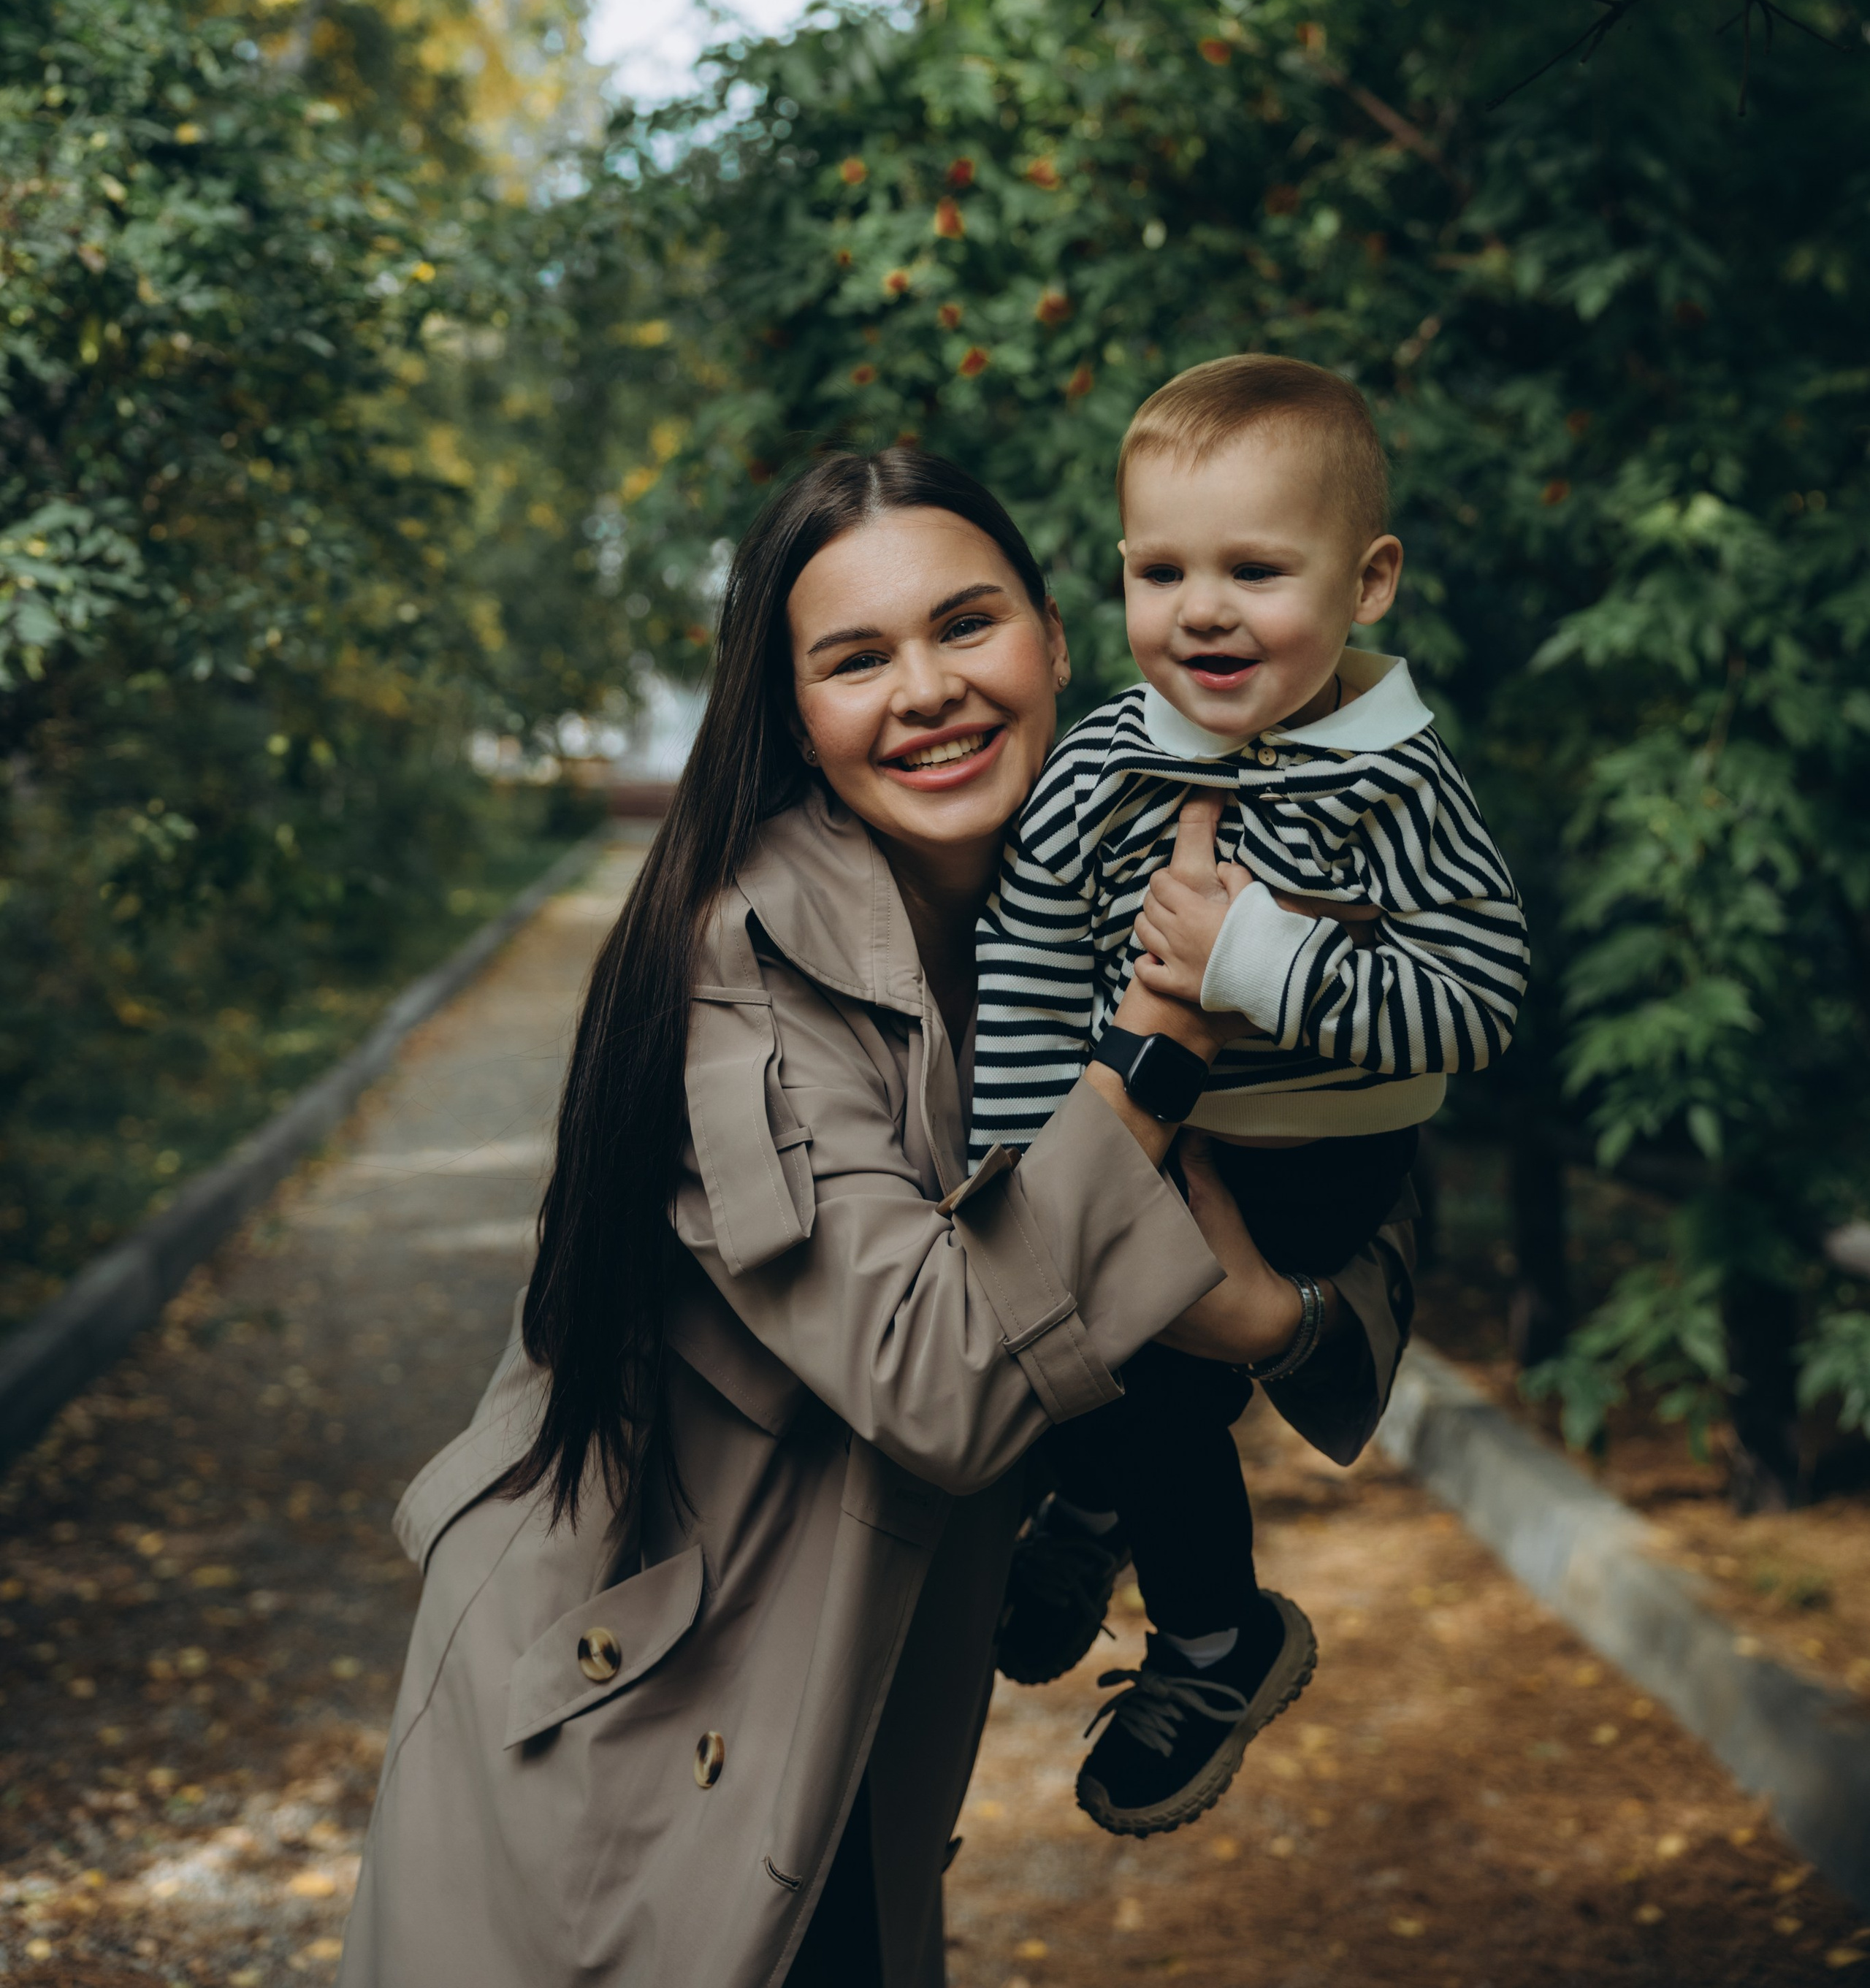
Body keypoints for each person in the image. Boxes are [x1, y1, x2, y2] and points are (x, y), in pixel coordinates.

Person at [338, 446, 1418, 1988]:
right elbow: (940, 1382)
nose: (925, 691)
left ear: (1056, 641)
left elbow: (1361, 1151)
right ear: (793, 714)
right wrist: (1154, 1052)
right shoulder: (742, 973)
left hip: (847, 1722)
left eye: (964, 627)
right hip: (640, 1743)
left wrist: (1272, 1318)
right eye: (856, 658)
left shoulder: (1136, 871)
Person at [974, 356, 1529, 1838]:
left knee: (1154, 1377)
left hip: (1320, 1165)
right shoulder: (1095, 760)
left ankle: (1216, 1640)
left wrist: (1257, 958)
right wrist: (1028, 1155)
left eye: (1252, 569)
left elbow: (1479, 999)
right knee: (1080, 1336)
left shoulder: (1396, 784)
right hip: (1146, 1134)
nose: (1200, 609)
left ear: (1368, 583)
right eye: (1161, 570)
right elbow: (1027, 968)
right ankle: (1094, 1508)